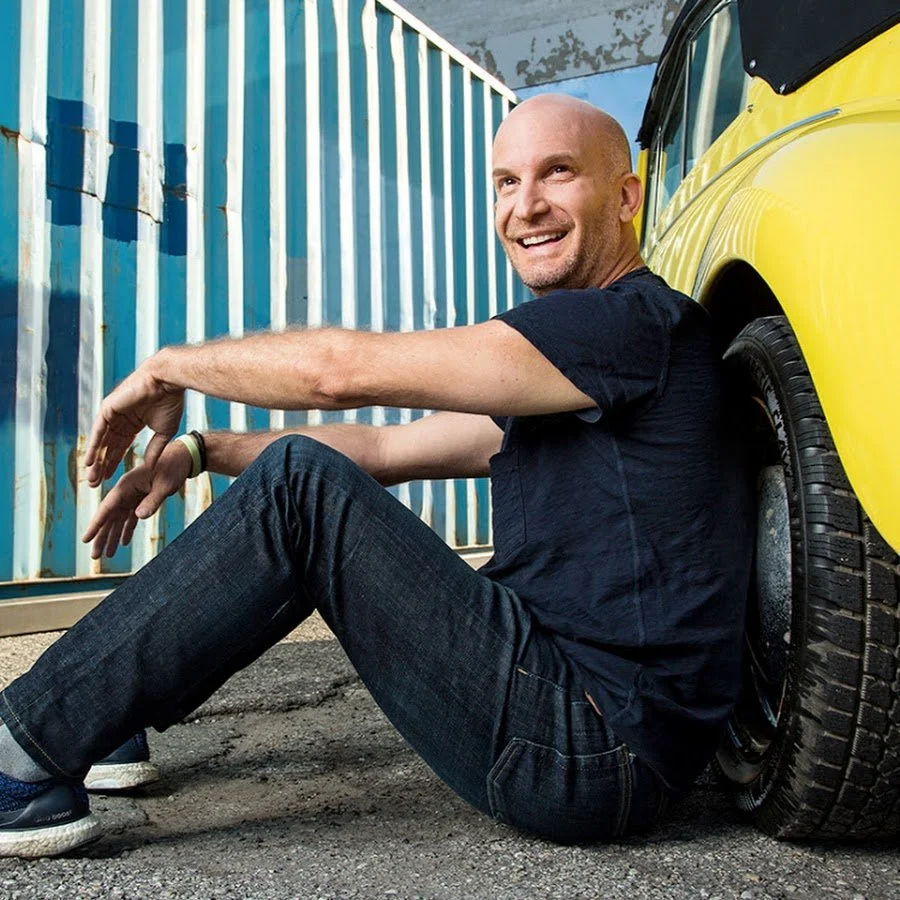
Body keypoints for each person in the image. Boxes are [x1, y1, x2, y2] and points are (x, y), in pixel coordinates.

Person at [0, 95, 753, 858]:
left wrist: (168, 368)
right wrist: (198, 450)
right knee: (305, 483)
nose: (525, 206)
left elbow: (338, 375)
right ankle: (98, 709)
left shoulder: (629, 324)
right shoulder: (584, 375)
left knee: (300, 485)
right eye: (505, 182)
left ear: (626, 197)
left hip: (590, 745)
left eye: (558, 173)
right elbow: (382, 450)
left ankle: (22, 751)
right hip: (580, 727)